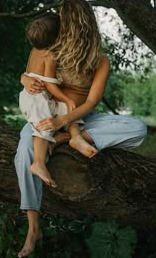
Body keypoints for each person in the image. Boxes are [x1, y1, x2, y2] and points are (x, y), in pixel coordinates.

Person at [15, 0, 147, 258]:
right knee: (24, 154)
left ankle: (64, 139)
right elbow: (28, 77)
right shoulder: (48, 48)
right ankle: (33, 228)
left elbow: (90, 102)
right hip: (44, 115)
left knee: (138, 128)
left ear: (74, 23)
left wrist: (62, 124)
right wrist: (25, 79)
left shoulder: (99, 61)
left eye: (62, 17)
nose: (58, 21)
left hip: (78, 118)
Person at [19, 13, 98, 188]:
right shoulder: (50, 57)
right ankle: (38, 162)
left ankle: (75, 137)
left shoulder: (34, 51)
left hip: (31, 97)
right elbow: (51, 86)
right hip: (36, 99)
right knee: (44, 125)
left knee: (65, 110)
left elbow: (27, 73)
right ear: (57, 37)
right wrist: (67, 98)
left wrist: (65, 102)